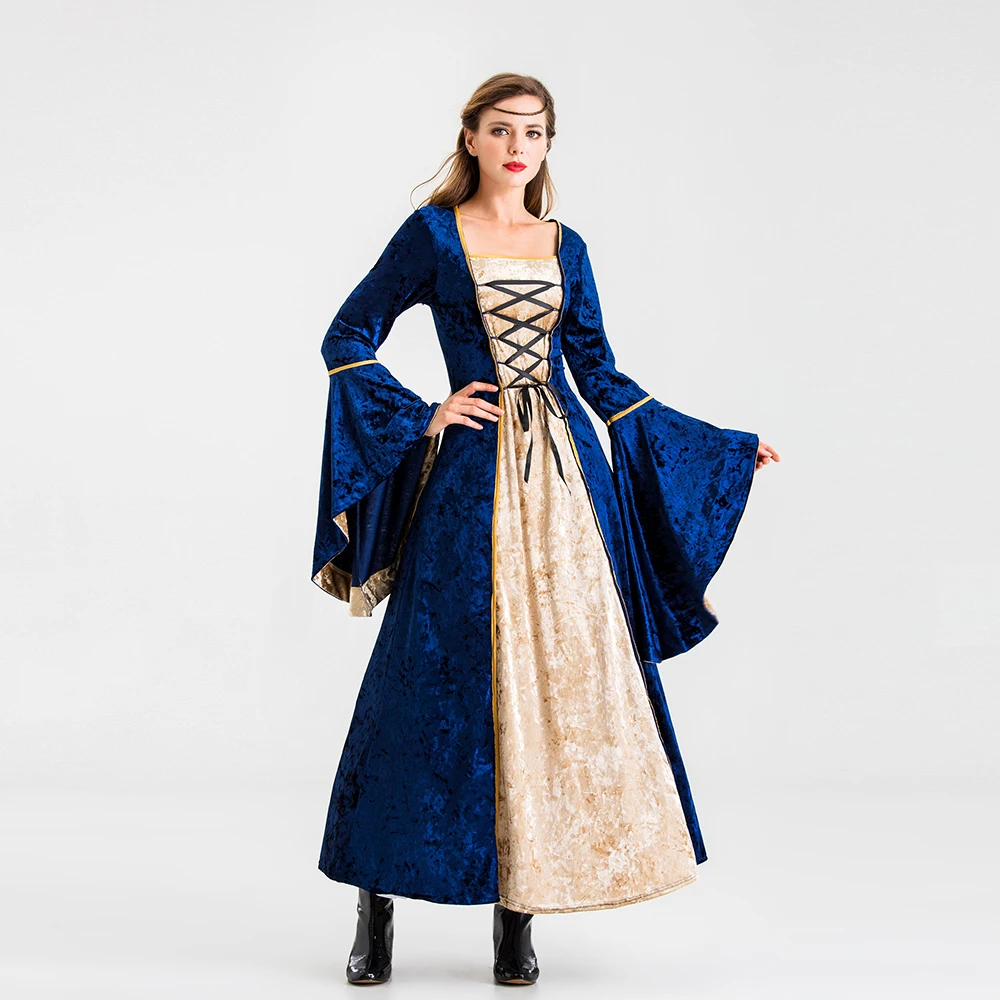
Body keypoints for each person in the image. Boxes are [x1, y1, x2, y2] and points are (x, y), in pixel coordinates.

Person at [311, 73, 780, 987]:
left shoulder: (567, 245)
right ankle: (375, 904)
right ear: (472, 138)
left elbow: (600, 375)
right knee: (425, 683)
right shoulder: (432, 236)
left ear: (548, 144)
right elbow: (347, 335)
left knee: (554, 690)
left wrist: (719, 450)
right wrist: (424, 414)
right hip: (470, 484)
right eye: (501, 130)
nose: (518, 147)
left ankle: (517, 918)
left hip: (570, 491)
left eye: (534, 132)